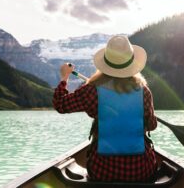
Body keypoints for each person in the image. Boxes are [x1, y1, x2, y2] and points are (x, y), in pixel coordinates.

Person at [53, 35, 157, 182]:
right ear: (131, 63)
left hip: (103, 170)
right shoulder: (144, 91)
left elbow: (60, 104)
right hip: (141, 170)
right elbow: (152, 126)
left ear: (105, 64)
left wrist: (65, 77)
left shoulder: (91, 90)